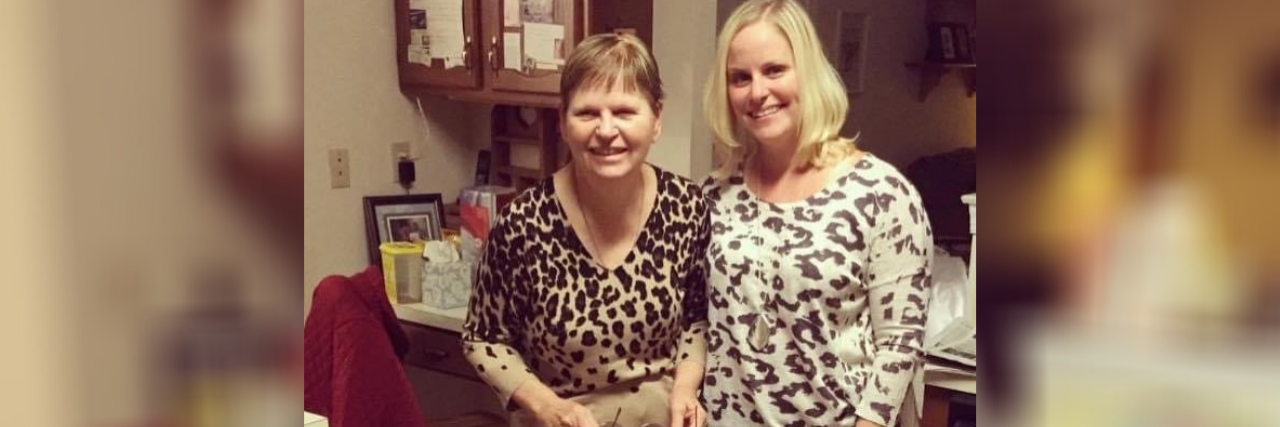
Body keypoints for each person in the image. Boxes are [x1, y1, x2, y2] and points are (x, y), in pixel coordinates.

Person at [699, 1, 934, 426]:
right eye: (740, 77)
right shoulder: (716, 194)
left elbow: (900, 344)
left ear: (807, 71)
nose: (757, 92)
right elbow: (701, 322)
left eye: (774, 70)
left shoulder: (881, 194)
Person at [462, 32, 711, 427]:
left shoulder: (687, 206)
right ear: (562, 122)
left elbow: (696, 319)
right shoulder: (523, 224)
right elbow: (484, 338)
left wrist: (685, 389)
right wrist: (546, 405)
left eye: (625, 112)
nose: (606, 130)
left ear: (656, 119)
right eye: (588, 113)